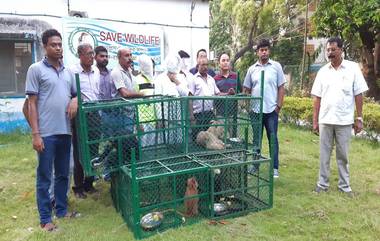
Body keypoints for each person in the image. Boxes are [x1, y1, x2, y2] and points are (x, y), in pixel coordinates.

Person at [25, 29, 78, 231]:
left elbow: (75, 94)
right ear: (44, 47)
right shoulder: (35, 69)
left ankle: (62, 211)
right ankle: (45, 219)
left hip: (65, 131)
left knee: (63, 174)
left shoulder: (68, 72)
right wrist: (35, 134)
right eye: (53, 45)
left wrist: (75, 100)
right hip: (46, 133)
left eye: (59, 44)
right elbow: (31, 103)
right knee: (45, 177)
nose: (57, 48)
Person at [311, 37, 368, 197]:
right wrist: (315, 121)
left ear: (341, 50)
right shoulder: (322, 71)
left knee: (343, 155)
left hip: (344, 120)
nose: (330, 53)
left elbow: (358, 94)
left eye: (333, 50)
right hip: (325, 120)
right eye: (328, 50)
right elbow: (317, 98)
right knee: (324, 155)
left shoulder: (352, 68)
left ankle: (345, 185)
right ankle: (322, 184)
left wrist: (359, 118)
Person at [243, 39, 286, 178]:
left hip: (271, 111)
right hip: (255, 111)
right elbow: (246, 89)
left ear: (269, 51)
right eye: (261, 50)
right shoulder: (252, 69)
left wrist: (278, 107)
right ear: (257, 52)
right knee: (256, 139)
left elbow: (281, 88)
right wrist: (248, 107)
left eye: (266, 49)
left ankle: (274, 168)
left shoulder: (276, 67)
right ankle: (254, 165)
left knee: (273, 139)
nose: (264, 52)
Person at [70, 43, 100, 199]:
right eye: (88, 53)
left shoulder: (96, 72)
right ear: (80, 55)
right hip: (81, 116)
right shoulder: (73, 72)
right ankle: (78, 187)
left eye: (92, 53)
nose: (91, 56)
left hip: (95, 113)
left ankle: (89, 184)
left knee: (94, 150)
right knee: (80, 151)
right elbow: (70, 94)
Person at [111, 48, 144, 163]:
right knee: (121, 146)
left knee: (127, 146)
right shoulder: (116, 72)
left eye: (130, 55)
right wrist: (142, 95)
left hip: (130, 114)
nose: (129, 58)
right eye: (126, 55)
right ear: (119, 58)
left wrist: (137, 121)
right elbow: (124, 93)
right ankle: (108, 172)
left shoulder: (129, 71)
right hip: (120, 115)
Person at [189, 57, 234, 140]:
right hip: (198, 115)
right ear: (198, 66)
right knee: (198, 139)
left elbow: (218, 93)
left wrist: (228, 93)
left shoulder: (211, 79)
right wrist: (192, 117)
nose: (205, 67)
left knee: (212, 138)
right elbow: (190, 98)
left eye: (206, 65)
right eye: (202, 65)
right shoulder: (193, 79)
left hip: (210, 114)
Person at [214, 52, 241, 137]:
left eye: (227, 60)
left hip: (234, 115)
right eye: (223, 60)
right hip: (220, 115)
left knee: (234, 138)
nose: (225, 62)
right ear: (219, 63)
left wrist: (235, 93)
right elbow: (215, 94)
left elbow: (241, 92)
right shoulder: (215, 79)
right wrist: (227, 94)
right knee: (223, 138)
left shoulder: (235, 76)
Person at [134, 54, 156, 147]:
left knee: (151, 148)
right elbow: (134, 103)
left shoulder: (153, 81)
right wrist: (137, 122)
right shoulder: (136, 80)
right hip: (142, 122)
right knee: (142, 148)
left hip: (152, 121)